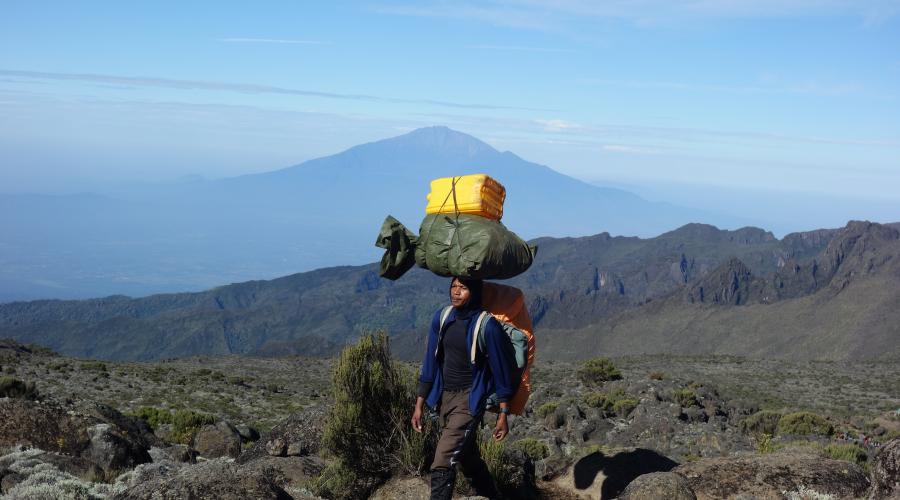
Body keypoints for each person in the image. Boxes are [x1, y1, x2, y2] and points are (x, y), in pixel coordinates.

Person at [411, 277, 518, 500]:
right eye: (454, 286)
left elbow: (501, 373)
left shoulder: (487, 326)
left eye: (463, 287)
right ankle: (494, 496)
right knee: (468, 458)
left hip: (469, 400)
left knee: (443, 459)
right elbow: (430, 363)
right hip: (444, 397)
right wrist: (419, 404)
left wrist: (503, 414)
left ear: (475, 292)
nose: (456, 292)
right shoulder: (442, 318)